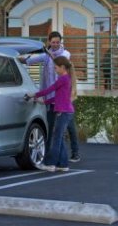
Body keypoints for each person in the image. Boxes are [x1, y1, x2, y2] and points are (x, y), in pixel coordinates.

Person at [17, 31, 81, 162]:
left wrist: (48, 53)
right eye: (53, 42)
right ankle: (51, 156)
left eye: (58, 42)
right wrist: (17, 58)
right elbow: (29, 60)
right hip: (51, 99)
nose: (56, 44)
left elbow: (60, 61)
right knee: (51, 127)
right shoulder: (45, 56)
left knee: (69, 127)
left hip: (63, 98)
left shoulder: (65, 54)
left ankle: (75, 153)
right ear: (49, 42)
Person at [32, 56, 76, 172]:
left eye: (55, 68)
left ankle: (50, 164)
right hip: (66, 111)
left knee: (56, 139)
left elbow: (49, 90)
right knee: (59, 138)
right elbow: (58, 97)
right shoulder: (66, 78)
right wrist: (44, 101)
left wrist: (34, 95)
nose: (54, 70)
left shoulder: (63, 79)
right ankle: (63, 164)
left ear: (62, 67)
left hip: (63, 112)